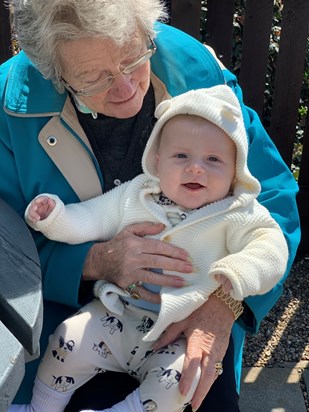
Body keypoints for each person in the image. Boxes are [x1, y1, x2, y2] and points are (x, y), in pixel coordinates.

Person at [0, 0, 300, 411]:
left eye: (132, 58)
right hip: (69, 315)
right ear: (54, 73)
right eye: (93, 78)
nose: (125, 89)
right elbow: (6, 249)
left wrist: (224, 304)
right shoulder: (11, 106)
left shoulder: (194, 71)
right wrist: (94, 261)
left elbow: (272, 202)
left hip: (195, 311)